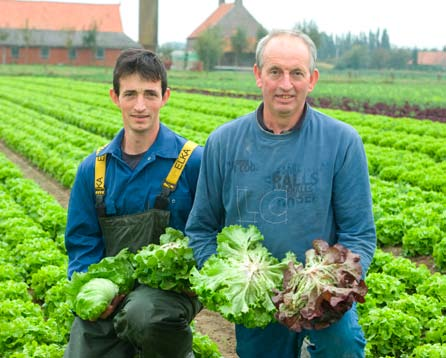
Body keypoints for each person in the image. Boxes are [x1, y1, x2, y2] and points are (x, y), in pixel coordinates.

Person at [185, 29, 376, 358]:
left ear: (312, 79)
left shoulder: (342, 141)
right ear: (258, 75)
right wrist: (232, 281)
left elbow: (358, 234)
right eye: (275, 72)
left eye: (296, 73)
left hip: (320, 299)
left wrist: (325, 289)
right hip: (259, 299)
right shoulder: (222, 142)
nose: (285, 84)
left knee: (342, 349)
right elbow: (201, 228)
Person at [64, 48, 203, 358]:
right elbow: (82, 240)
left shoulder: (193, 161)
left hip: (173, 290)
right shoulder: (94, 168)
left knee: (144, 313)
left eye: (150, 94)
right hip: (113, 284)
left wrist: (196, 276)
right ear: (115, 97)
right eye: (130, 94)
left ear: (166, 96)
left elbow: (209, 228)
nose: (140, 106)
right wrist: (93, 287)